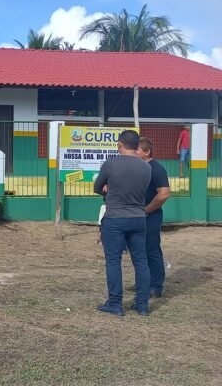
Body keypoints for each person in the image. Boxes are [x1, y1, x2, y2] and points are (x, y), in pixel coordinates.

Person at [93, 130, 152, 316]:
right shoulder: (146, 167)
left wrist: (108, 191)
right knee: (141, 261)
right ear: (137, 145)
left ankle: (115, 303)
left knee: (113, 261)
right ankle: (142, 304)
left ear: (120, 144)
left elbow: (97, 188)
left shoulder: (111, 164)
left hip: (115, 218)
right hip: (138, 218)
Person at [137, 137, 171, 298]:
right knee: (139, 251)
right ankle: (143, 282)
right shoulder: (138, 168)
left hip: (151, 216)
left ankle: (156, 285)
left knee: (151, 250)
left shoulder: (157, 169)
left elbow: (164, 194)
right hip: (136, 216)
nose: (133, 152)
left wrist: (147, 210)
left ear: (146, 152)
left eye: (137, 149)